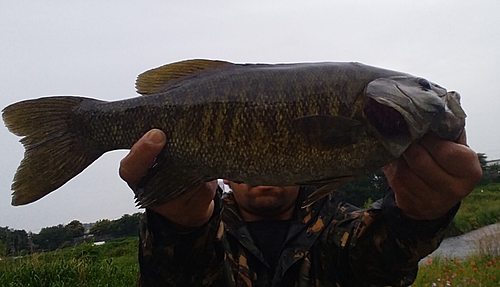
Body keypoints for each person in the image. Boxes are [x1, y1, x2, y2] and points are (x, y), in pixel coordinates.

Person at [119, 129, 481, 287]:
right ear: (223, 171)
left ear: (306, 162)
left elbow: (382, 266)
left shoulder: (342, 225)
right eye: (247, 156)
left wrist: (419, 217)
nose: (262, 169)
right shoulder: (201, 227)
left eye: (274, 155)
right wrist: (177, 230)